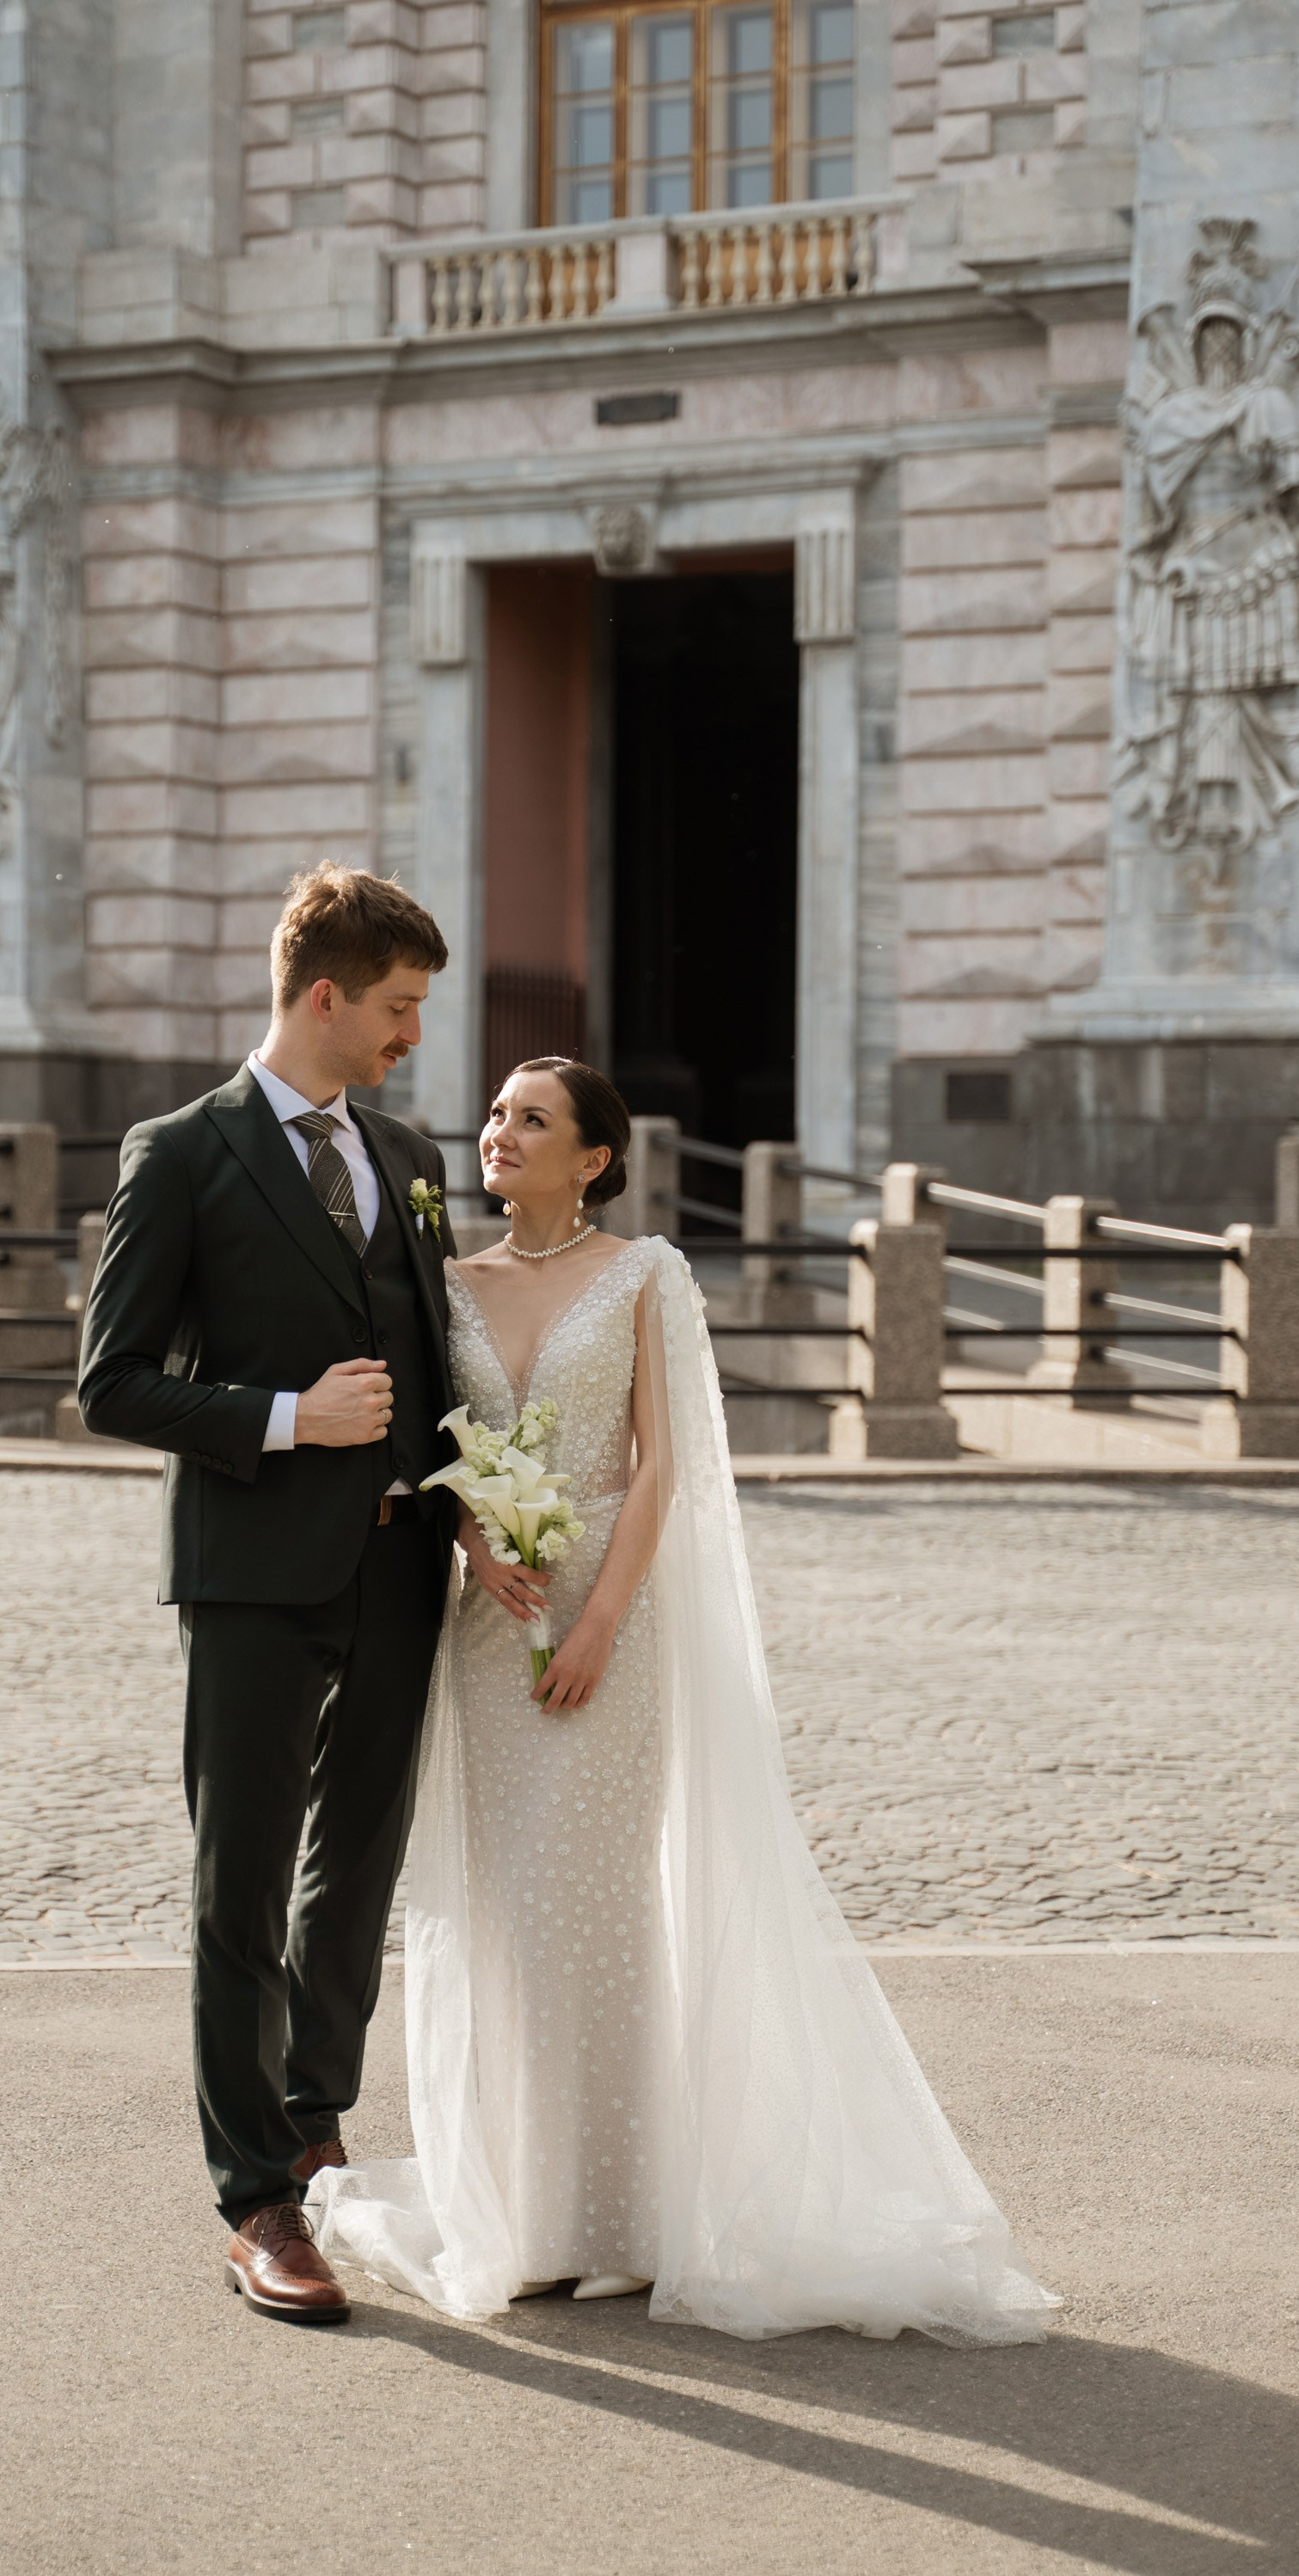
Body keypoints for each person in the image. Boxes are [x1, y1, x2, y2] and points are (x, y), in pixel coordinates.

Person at [309, 1058, 1059, 2346]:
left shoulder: (648, 1275)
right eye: (493, 1114)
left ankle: (628, 2213)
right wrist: (473, 1547)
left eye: (529, 1119)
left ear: (593, 1156)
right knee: (504, 1907)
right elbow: (431, 1452)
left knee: (596, 1899)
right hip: (494, 1622)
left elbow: (665, 1466)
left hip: (615, 1612)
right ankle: (525, 2207)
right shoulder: (446, 1286)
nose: (497, 1132)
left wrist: (601, 1619)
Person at [77, 863, 456, 2325]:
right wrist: (289, 1417)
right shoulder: (181, 1153)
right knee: (239, 1881)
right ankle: (255, 2199)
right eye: (398, 1008)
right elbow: (113, 1385)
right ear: (323, 997)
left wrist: (474, 1517)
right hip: (247, 1574)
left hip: (401, 1564)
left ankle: (315, 2115)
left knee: (356, 1866)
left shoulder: (409, 1152)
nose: (413, 1034)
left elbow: (430, 1369)